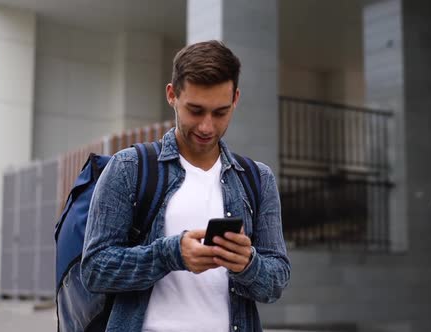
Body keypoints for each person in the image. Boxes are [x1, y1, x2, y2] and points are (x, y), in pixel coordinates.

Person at [81, 40, 290, 332]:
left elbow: (276, 281)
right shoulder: (130, 167)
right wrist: (171, 254)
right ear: (172, 95)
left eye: (220, 112)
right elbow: (94, 269)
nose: (206, 126)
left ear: (236, 99)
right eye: (195, 110)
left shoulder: (257, 178)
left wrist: (247, 264)